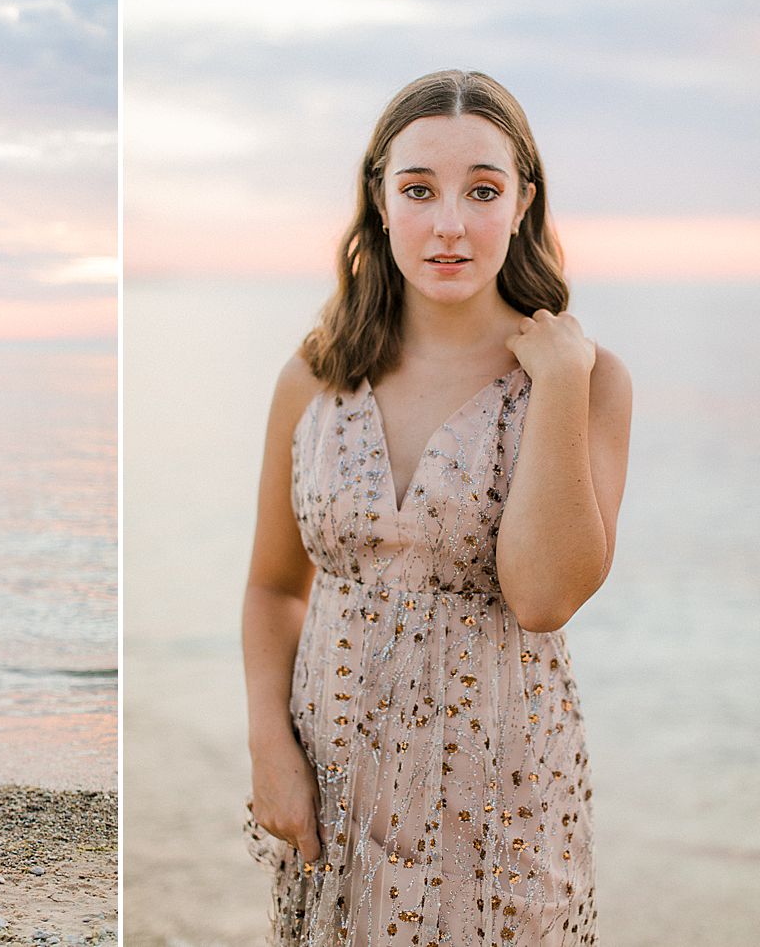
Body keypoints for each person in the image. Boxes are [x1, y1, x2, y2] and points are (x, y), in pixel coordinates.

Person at [242, 70, 630, 945]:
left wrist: (560, 382)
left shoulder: (592, 384)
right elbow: (273, 587)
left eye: (482, 191)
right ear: (380, 201)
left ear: (524, 202)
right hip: (337, 780)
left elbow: (543, 597)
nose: (449, 223)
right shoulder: (313, 378)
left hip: (508, 799)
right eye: (418, 189)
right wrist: (270, 748)